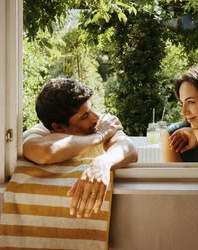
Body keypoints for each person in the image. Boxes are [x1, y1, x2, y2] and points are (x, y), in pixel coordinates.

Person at [23, 78, 138, 218]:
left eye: (91, 108)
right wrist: (100, 137)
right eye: (84, 116)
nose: (95, 117)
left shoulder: (103, 123)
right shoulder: (40, 133)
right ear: (58, 127)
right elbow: (46, 152)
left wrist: (104, 161)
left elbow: (129, 149)